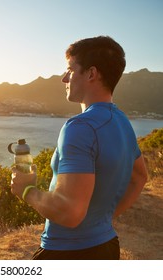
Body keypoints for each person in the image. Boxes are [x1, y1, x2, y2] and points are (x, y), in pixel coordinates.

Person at [10, 36, 148, 260]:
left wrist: (27, 191)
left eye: (70, 70)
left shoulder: (80, 127)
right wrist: (102, 221)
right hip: (107, 244)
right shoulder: (122, 122)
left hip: (67, 252)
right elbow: (140, 177)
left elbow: (70, 213)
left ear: (91, 74)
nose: (64, 78)